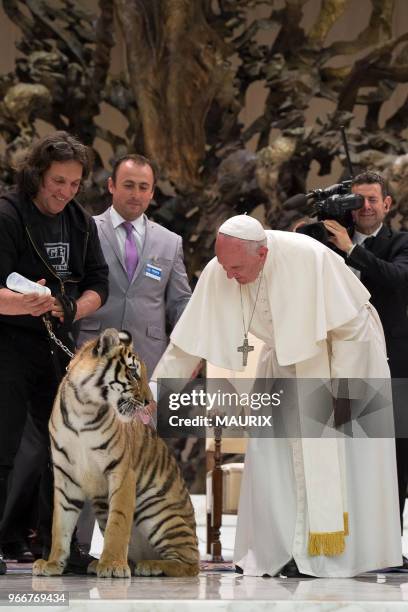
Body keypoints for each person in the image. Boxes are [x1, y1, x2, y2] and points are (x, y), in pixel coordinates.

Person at [152, 214, 402, 578]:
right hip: (284, 360)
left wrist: (340, 397)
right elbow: (187, 344)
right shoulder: (222, 269)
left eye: (236, 267)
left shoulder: (308, 257)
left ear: (263, 254)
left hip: (343, 357)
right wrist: (155, 393)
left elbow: (350, 327)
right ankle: (279, 549)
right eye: (223, 265)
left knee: (343, 454)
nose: (228, 276)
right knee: (273, 454)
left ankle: (339, 557)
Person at [0, 131, 109, 574]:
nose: (65, 192)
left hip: (57, 345)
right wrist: (21, 303)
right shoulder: (8, 213)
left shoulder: (80, 221)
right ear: (36, 175)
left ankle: (58, 549)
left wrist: (71, 308)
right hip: (8, 343)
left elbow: (99, 284)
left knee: (63, 451)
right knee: (3, 446)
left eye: (74, 183)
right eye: (57, 181)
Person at [322, 170, 408, 552]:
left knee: (393, 456)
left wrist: (353, 250)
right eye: (358, 200)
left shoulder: (401, 242)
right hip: (338, 366)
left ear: (387, 204)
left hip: (391, 363)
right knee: (344, 451)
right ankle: (346, 542)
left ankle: (387, 543)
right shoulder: (326, 241)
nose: (366, 207)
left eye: (373, 200)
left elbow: (396, 280)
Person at [77, 154, 191, 377]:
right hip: (91, 353)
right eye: (128, 185)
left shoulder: (170, 241)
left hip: (146, 357)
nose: (136, 194)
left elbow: (180, 302)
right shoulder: (85, 231)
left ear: (152, 192)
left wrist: (192, 349)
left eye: (143, 187)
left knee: (141, 414)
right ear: (111, 185)